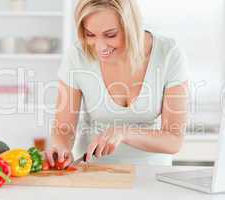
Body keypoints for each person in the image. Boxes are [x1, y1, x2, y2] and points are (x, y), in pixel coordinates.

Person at [46, 0, 189, 168]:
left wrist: (124, 132)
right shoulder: (77, 56)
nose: (99, 47)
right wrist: (61, 147)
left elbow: (174, 140)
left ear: (131, 27)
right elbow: (63, 129)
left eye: (111, 34)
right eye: (90, 34)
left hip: (152, 174)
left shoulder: (168, 54)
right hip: (92, 171)